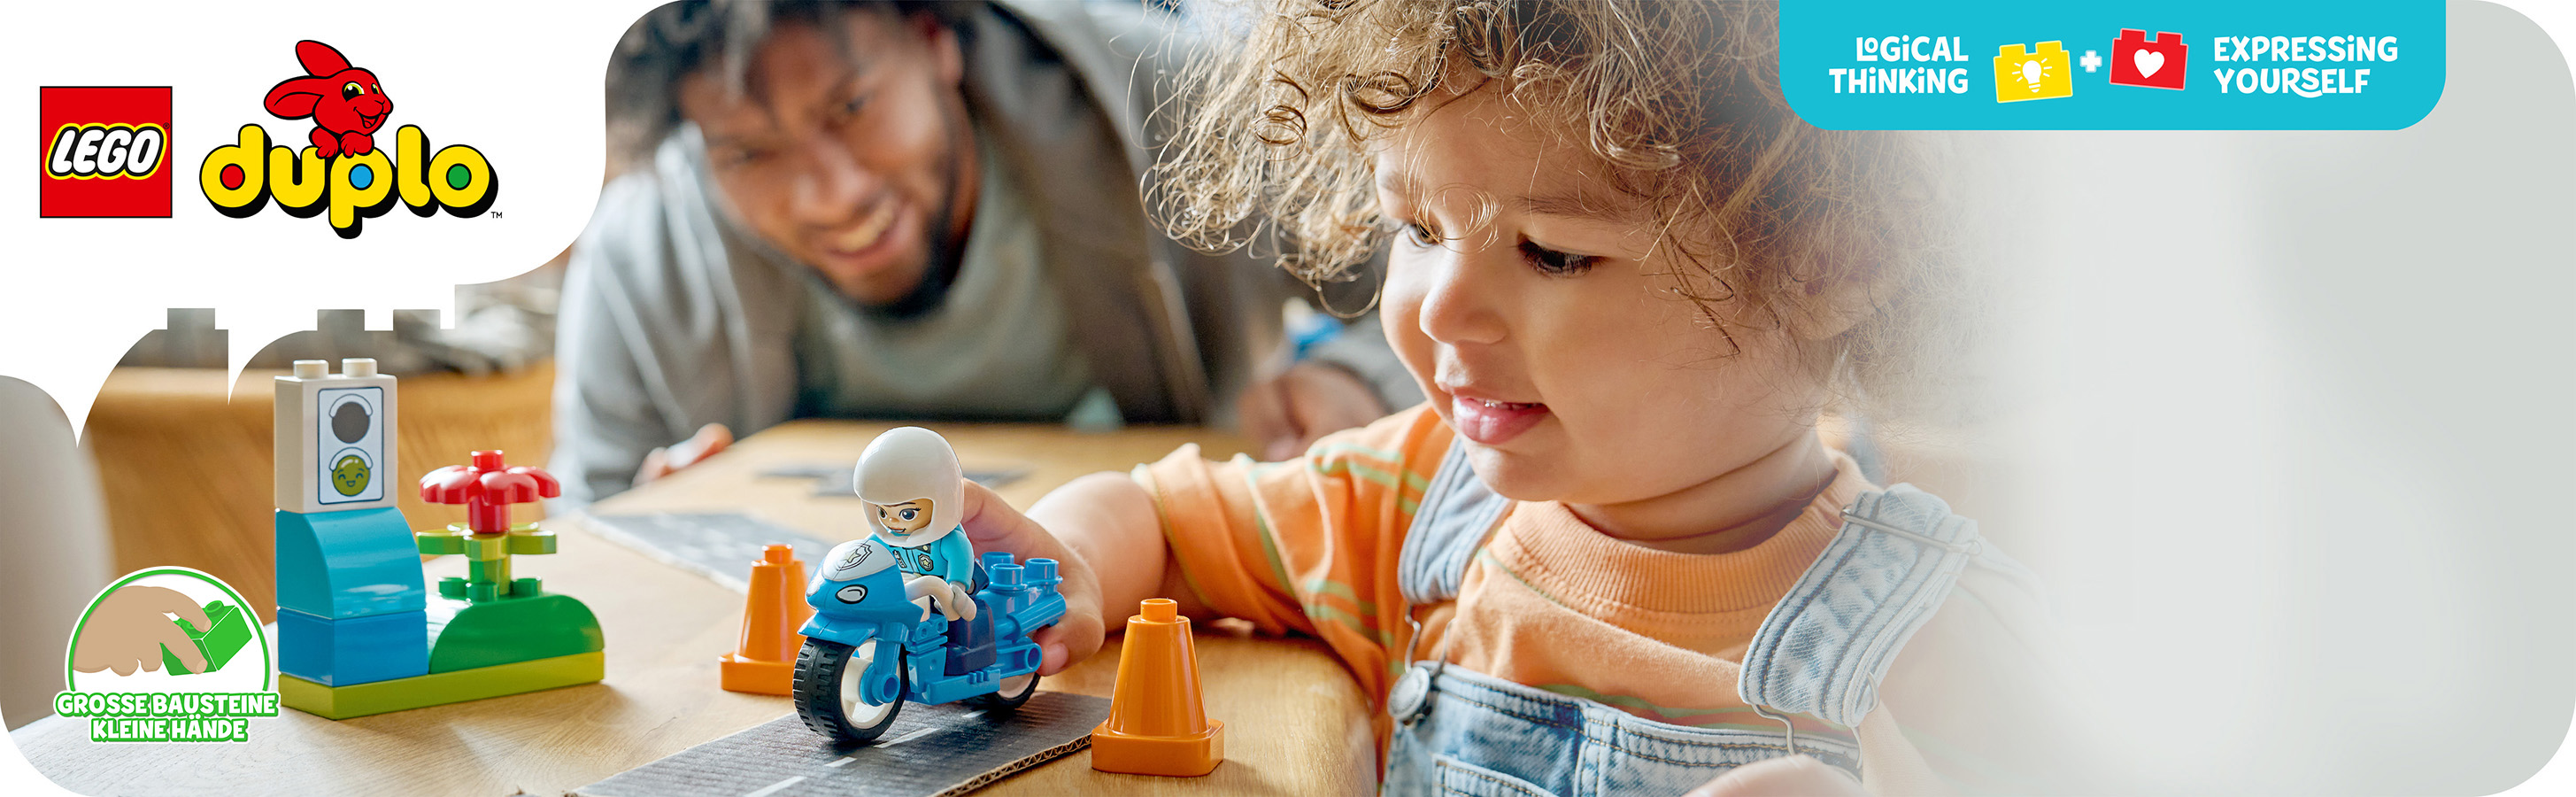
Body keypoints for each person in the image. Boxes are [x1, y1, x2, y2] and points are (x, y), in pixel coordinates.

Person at [948, 2, 2092, 793]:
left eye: (1549, 253)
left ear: (1829, 266)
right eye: (1416, 229)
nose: (1439, 310)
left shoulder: (1944, 636)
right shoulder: (1411, 504)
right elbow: (1163, 519)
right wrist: (1068, 566)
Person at [552, 0, 1417, 506]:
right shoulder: (641, 242)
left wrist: (1362, 379)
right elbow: (588, 514)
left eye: (851, 108)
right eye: (747, 153)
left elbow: (1448, 266)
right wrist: (652, 513)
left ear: (935, 38)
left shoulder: (1180, 100)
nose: (829, 194)